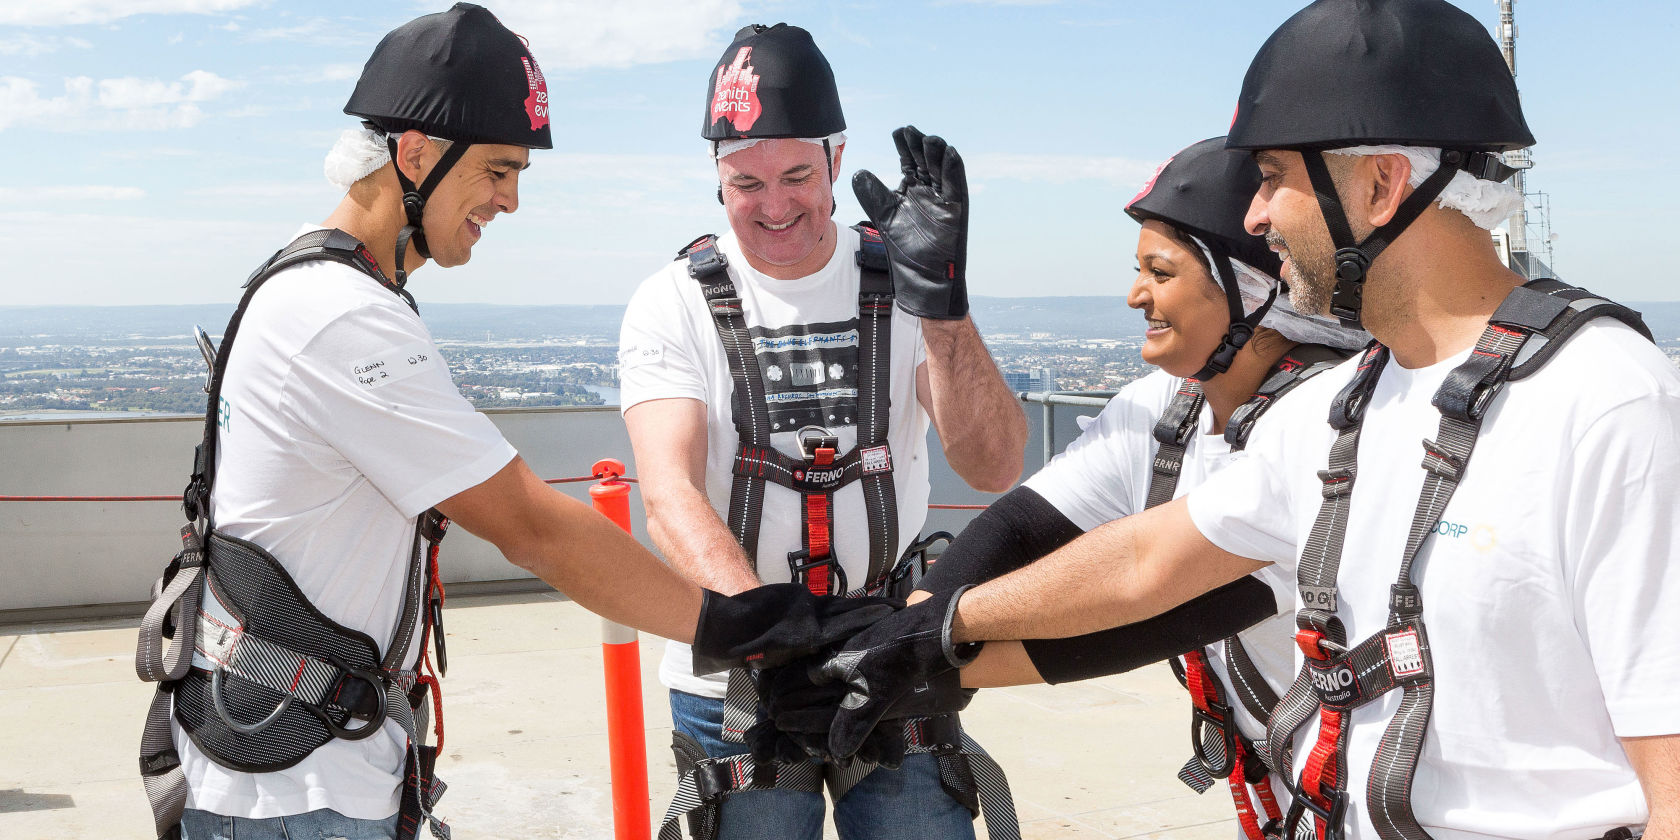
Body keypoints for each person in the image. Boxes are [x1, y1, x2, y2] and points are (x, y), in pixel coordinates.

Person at [795, 2, 1680, 839]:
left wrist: (930, 641)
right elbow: (1147, 561)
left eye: (1271, 179)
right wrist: (924, 638)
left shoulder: (1604, 403)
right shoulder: (1348, 409)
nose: (1256, 216)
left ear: (1381, 185)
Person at [132, 7, 883, 840]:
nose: (511, 200)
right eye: (496, 169)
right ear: (414, 153)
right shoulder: (340, 315)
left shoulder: (310, 281)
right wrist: (751, 626)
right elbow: (532, 525)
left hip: (291, 766)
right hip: (296, 798)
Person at [618, 22, 1026, 840]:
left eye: (797, 175)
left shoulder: (899, 283)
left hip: (893, 659)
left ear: (838, 160)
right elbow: (669, 493)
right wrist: (778, 643)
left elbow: (992, 464)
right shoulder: (673, 302)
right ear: (716, 179)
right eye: (745, 183)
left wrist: (942, 306)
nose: (774, 206)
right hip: (738, 684)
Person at [902, 136, 1368, 840]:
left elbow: (1154, 610)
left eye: (1161, 271)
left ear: (1251, 288)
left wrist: (910, 657)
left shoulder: (1333, 422)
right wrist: (901, 639)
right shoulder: (1165, 409)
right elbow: (1017, 530)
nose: (1134, 295)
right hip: (1295, 794)